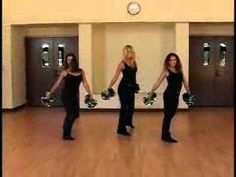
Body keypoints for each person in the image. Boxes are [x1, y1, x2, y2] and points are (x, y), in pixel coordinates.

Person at [48, 53, 93, 140]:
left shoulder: (80, 71)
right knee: (70, 114)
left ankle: (67, 130)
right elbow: (57, 83)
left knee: (75, 115)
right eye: (68, 60)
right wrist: (50, 93)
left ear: (75, 61)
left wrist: (90, 94)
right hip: (66, 96)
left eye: (71, 60)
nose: (70, 62)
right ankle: (66, 134)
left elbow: (85, 83)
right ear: (66, 61)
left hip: (74, 96)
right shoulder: (65, 72)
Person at [149, 53, 190, 143]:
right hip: (169, 95)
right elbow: (158, 82)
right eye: (171, 60)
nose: (173, 61)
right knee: (168, 115)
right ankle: (165, 135)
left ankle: (165, 133)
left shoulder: (179, 70)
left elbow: (185, 82)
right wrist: (151, 92)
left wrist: (189, 93)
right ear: (168, 61)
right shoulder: (166, 71)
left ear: (177, 61)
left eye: (174, 59)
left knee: (171, 114)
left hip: (176, 95)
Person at [107, 45, 138, 136]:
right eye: (127, 52)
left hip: (131, 87)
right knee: (124, 108)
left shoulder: (134, 63)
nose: (129, 53)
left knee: (131, 107)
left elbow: (134, 76)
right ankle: (121, 128)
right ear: (124, 53)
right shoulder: (122, 64)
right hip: (123, 88)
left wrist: (135, 85)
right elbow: (115, 77)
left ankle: (128, 122)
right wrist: (109, 87)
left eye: (131, 51)